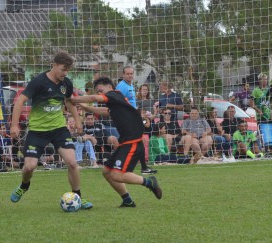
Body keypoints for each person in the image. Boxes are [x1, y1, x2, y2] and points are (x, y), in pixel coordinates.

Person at [9, 51, 93, 209]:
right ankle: (24, 186)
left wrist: (78, 121)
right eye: (63, 69)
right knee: (29, 167)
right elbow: (20, 100)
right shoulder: (39, 82)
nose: (65, 73)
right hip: (37, 131)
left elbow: (69, 102)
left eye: (68, 70)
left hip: (59, 129)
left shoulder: (66, 84)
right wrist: (14, 125)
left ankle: (78, 198)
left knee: (72, 163)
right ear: (54, 65)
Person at [72, 76, 162, 208]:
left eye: (100, 90)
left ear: (109, 86)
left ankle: (149, 183)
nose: (99, 94)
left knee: (117, 174)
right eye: (97, 91)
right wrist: (86, 107)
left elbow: (96, 99)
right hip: (125, 142)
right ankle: (127, 200)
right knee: (107, 172)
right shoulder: (115, 103)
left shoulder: (113, 94)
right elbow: (105, 111)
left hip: (132, 142)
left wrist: (74, 99)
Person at [116, 66, 157, 174]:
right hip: (127, 118)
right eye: (127, 74)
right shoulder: (121, 87)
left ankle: (143, 167)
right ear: (123, 75)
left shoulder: (130, 85)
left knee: (137, 141)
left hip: (133, 117)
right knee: (130, 142)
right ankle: (119, 165)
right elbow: (118, 103)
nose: (130, 75)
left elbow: (130, 102)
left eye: (131, 74)